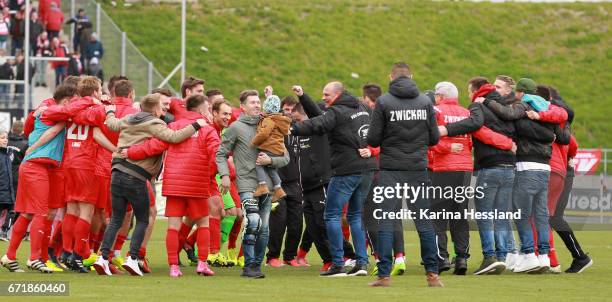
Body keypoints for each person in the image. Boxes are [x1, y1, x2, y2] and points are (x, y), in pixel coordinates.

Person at [92, 94, 205, 276]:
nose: (164, 110)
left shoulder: (129, 119)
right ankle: (133, 259)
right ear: (154, 109)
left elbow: (112, 124)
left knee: (116, 219)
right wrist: (196, 125)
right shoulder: (155, 123)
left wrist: (110, 111)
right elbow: (174, 137)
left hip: (116, 173)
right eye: (162, 106)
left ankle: (103, 258)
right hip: (135, 175)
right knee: (143, 219)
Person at [475, 78, 566, 273]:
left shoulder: (523, 105)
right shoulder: (546, 108)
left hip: (527, 164)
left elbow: (508, 114)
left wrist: (487, 102)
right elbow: (560, 135)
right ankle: (543, 257)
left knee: (522, 214)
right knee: (540, 214)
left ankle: (528, 254)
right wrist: (549, 135)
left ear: (521, 93)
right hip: (545, 167)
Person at [366, 62, 441, 287]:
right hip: (418, 169)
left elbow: (372, 139)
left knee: (387, 222)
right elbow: (435, 138)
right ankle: (432, 275)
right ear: (412, 76)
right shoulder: (425, 101)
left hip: (391, 170)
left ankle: (384, 275)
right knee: (424, 222)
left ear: (391, 77)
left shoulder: (384, 102)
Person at [291, 81, 376, 277]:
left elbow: (318, 123)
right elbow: (321, 117)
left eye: (326, 94)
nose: (323, 97)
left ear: (337, 94)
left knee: (331, 215)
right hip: (368, 168)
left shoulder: (337, 112)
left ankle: (338, 264)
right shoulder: (361, 107)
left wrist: (293, 129)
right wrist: (303, 97)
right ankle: (361, 264)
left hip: (346, 169)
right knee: (355, 216)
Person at [430, 81, 515, 275]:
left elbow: (427, 138)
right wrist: (508, 143)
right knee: (459, 215)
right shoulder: (467, 113)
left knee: (437, 216)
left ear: (439, 96)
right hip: (465, 169)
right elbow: (483, 134)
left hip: (443, 168)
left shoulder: (435, 111)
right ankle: (461, 259)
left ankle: (441, 258)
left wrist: (446, 148)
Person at [216, 89, 289, 279]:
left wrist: (270, 162)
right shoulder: (235, 128)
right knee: (254, 221)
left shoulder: (269, 123)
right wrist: (224, 174)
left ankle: (256, 265)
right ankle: (249, 265)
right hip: (247, 184)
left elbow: (285, 157)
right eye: (252, 102)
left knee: (264, 227)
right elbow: (221, 154)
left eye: (258, 102)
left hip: (268, 185)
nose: (257, 105)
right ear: (242, 106)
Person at [1, 86, 70, 273]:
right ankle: (34, 258)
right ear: (65, 99)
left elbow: (31, 128)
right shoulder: (53, 109)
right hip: (36, 165)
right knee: (40, 212)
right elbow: (51, 129)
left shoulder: (50, 109)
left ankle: (10, 256)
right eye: (72, 100)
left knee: (28, 213)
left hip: (39, 166)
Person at [265, 95, 305, 268]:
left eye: (291, 110)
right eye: (285, 109)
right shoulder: (273, 129)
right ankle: (272, 256)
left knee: (296, 223)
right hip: (277, 183)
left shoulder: (297, 130)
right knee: (278, 223)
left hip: (295, 183)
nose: (288, 113)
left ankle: (290, 256)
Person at [252, 93, 290, 201]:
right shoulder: (280, 120)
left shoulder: (269, 120)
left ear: (266, 108)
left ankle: (262, 185)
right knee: (271, 169)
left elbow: (264, 134)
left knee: (259, 163)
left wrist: (254, 142)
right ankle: (278, 189)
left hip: (268, 148)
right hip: (277, 149)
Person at [0, 128, 15, 242]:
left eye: (6, 138)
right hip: (1, 191)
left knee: (12, 212)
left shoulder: (9, 154)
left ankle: (4, 232)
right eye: (2, 138)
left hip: (8, 191)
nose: (5, 140)